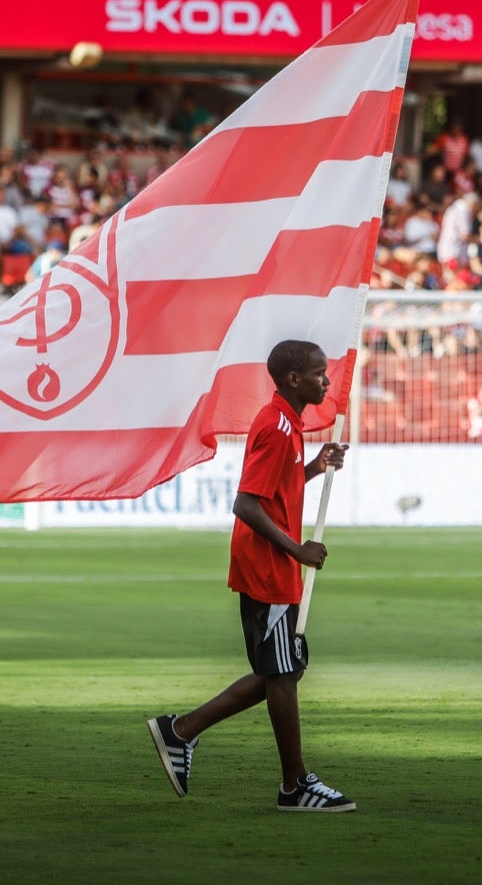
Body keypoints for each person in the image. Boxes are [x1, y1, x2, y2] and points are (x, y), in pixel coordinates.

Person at [146, 339, 355, 813]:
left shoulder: (286, 422)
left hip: (271, 565)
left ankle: (180, 732)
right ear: (293, 380)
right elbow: (246, 503)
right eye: (320, 373)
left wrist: (314, 469)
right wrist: (297, 549)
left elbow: (275, 488)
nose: (327, 380)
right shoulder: (277, 425)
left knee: (285, 668)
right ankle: (294, 784)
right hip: (268, 568)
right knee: (282, 673)